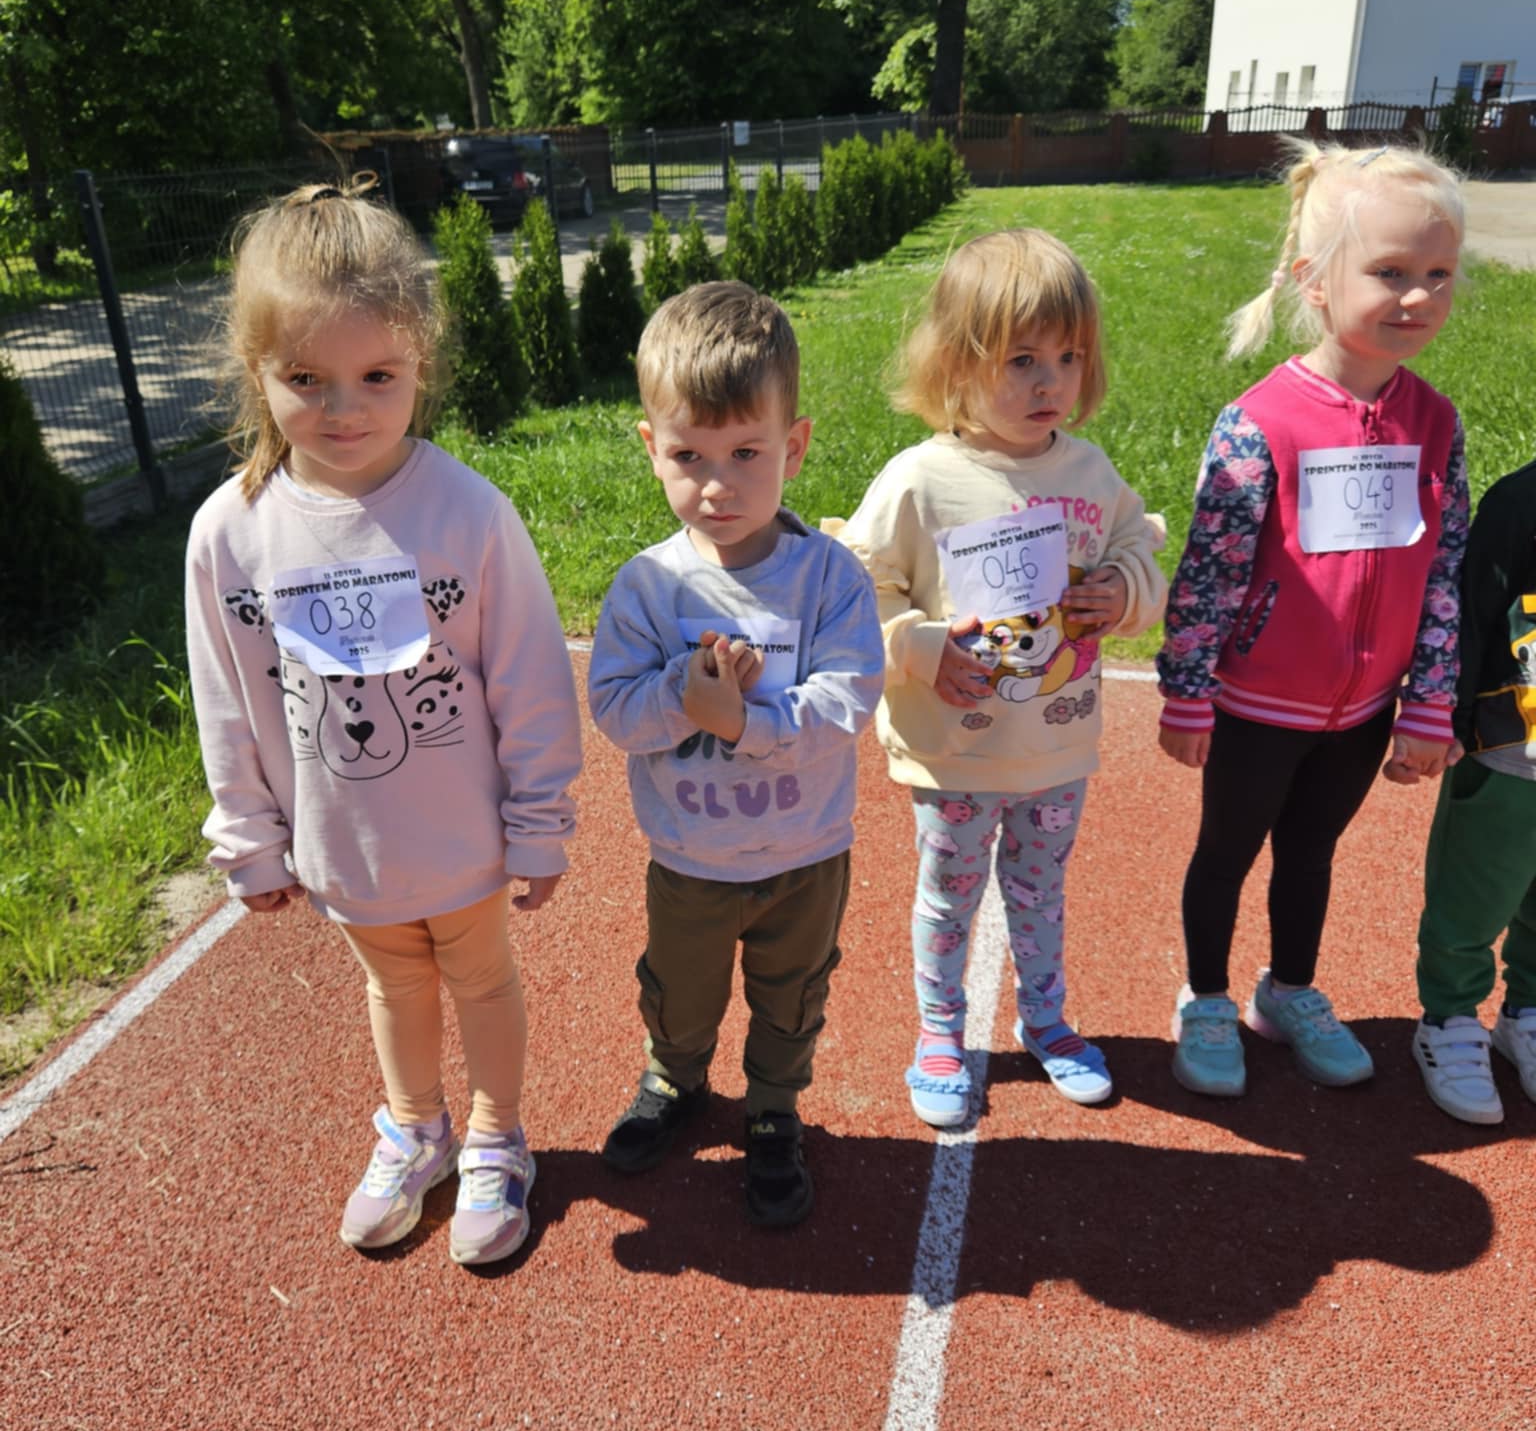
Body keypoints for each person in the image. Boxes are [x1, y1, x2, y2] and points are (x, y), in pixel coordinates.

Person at [185, 176, 581, 1265]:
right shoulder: (230, 533)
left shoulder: (468, 512)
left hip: (462, 842)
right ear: (257, 372)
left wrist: (541, 820)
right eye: (305, 379)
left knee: (481, 979)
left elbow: (530, 677)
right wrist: (248, 837)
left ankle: (496, 1134)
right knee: (393, 984)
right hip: (344, 848)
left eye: (377, 376)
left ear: (421, 366)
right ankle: (416, 1128)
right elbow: (226, 695)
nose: (344, 409)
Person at [833, 228, 1166, 1125]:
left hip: (1056, 748)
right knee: (949, 899)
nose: (1049, 381)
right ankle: (941, 1031)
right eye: (1022, 359)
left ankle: (1046, 1021)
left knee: (1039, 891)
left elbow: (1139, 547)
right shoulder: (919, 481)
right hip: (956, 755)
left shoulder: (1090, 472)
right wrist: (921, 647)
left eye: (1068, 357)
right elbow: (858, 590)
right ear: (955, 362)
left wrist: (1125, 590)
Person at [1158, 140, 1468, 1097]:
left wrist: (1430, 701)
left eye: (1438, 275)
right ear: (1316, 282)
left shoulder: (1436, 421)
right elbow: (1211, 569)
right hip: (1258, 703)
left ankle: (1287, 990)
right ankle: (1206, 997)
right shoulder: (1261, 421)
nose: (1417, 297)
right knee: (1227, 853)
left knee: (1311, 853)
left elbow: (1445, 566)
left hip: (1365, 709)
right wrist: (1188, 690)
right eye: (1390, 272)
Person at [588, 281, 883, 1226]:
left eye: (746, 453)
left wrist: (742, 724)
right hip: (691, 858)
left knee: (792, 994)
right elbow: (613, 711)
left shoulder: (830, 577)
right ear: (651, 448)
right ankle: (674, 1079)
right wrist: (684, 694)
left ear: (794, 446)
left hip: (806, 855)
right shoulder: (646, 588)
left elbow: (847, 701)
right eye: (689, 456)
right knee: (680, 990)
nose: (717, 485)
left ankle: (772, 1109)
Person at [1412, 456, 1536, 1124]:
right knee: (1472, 897)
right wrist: (1450, 719)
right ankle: (1449, 1018)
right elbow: (1472, 615)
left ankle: (1526, 1014)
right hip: (1512, 749)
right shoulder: (1520, 502)